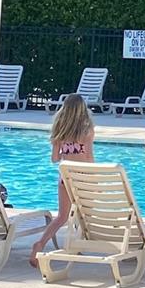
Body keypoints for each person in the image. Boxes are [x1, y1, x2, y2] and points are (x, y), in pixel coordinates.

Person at [28, 94, 95, 267]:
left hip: (64, 177)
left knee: (62, 216)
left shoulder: (59, 132)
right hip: (82, 178)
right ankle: (78, 243)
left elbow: (55, 158)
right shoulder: (87, 131)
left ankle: (40, 243)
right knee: (87, 211)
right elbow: (89, 158)